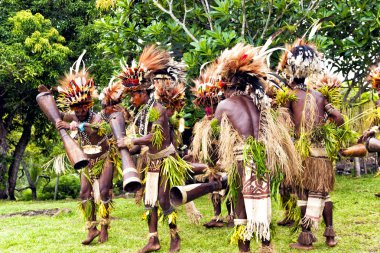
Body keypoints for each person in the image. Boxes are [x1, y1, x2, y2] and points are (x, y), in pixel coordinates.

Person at [203, 43, 297, 253]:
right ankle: (266, 248)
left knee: (240, 208)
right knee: (262, 205)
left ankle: (244, 250)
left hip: (241, 159)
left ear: (228, 85)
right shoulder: (258, 102)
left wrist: (212, 165)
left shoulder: (224, 106)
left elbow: (213, 139)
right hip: (262, 157)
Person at [117, 45, 191, 253]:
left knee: (163, 199)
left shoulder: (157, 109)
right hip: (150, 161)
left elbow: (154, 137)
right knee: (150, 202)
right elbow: (142, 136)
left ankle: (175, 237)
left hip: (165, 160)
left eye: (134, 95)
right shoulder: (142, 112)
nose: (132, 99)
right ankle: (153, 240)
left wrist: (131, 141)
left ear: (143, 92)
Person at [277, 39, 345, 249]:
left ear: (291, 71)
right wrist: (326, 125)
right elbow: (340, 119)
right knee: (323, 192)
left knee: (304, 193)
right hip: (322, 151)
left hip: (302, 152)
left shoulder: (288, 96)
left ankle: (306, 237)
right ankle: (330, 234)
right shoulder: (319, 95)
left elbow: (283, 127)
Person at [54, 52, 116, 245]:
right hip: (87, 160)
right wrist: (46, 98)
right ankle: (92, 228)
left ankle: (105, 226)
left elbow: (98, 129)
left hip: (104, 158)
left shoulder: (96, 118)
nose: (80, 112)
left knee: (104, 193)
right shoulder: (73, 116)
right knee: (83, 194)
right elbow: (59, 116)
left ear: (88, 105)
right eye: (76, 108)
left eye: (83, 108)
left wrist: (79, 126)